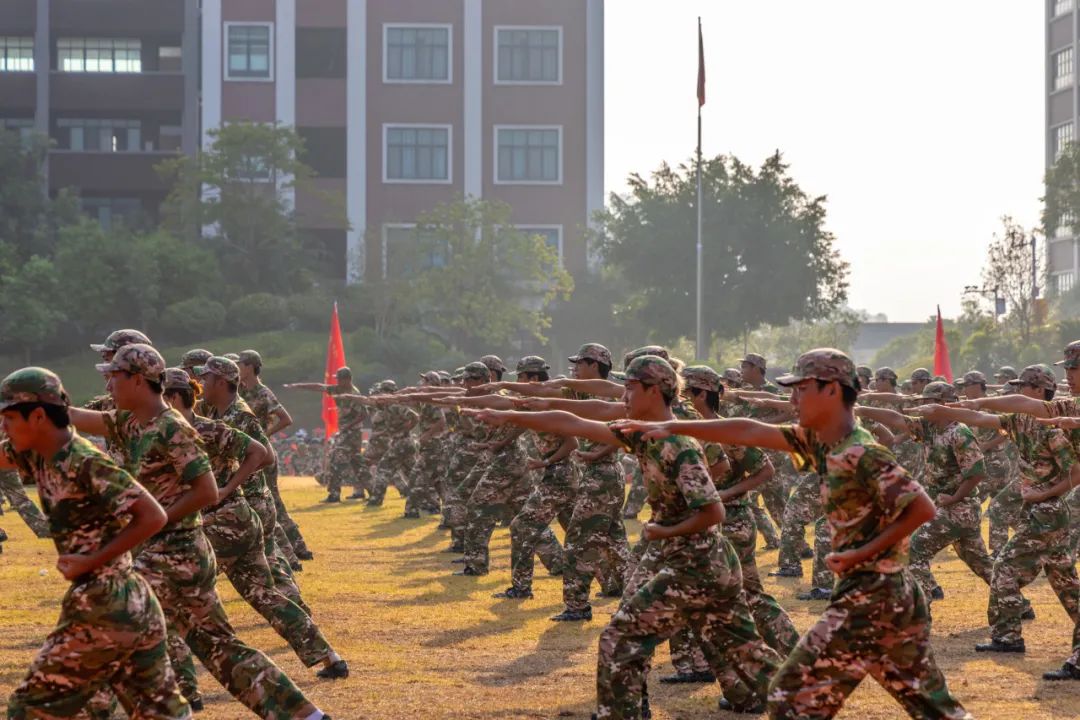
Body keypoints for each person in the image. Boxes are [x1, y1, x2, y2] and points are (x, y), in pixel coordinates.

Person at [613, 349, 973, 720]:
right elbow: (750, 431)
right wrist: (676, 427)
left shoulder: (862, 451)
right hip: (887, 594)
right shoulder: (822, 442)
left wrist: (859, 554)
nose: (792, 400)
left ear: (832, 390)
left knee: (790, 699)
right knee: (933, 708)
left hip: (873, 595)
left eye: (801, 389)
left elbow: (921, 508)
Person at [466, 356, 781, 718]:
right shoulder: (644, 433)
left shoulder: (678, 444)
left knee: (621, 638)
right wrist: (510, 415)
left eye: (630, 389)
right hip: (688, 557)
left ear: (654, 391)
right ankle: (794, 699)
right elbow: (574, 422)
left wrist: (665, 529)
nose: (623, 397)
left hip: (696, 561)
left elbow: (713, 512)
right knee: (744, 648)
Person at [69, 345, 332, 720]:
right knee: (220, 646)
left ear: (140, 381)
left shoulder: (175, 427)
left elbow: (213, 486)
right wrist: (39, 407)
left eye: (114, 376)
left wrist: (159, 518)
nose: (108, 385)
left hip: (178, 550)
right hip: (177, 548)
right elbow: (81, 419)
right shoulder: (133, 422)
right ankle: (307, 714)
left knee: (113, 624)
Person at [0, 367, 192, 720]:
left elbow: (152, 515)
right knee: (160, 713)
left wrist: (92, 560)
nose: (3, 426)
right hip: (127, 603)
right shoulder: (37, 451)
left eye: (9, 418)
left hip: (105, 603)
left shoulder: (84, 461)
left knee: (30, 710)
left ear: (38, 416)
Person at [161, 368, 348, 682]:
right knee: (266, 595)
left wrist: (226, 488)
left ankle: (180, 684)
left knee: (171, 592)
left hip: (220, 524)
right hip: (241, 521)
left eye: (161, 397)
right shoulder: (203, 426)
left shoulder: (194, 430)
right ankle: (331, 657)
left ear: (174, 398)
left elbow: (262, 453)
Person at [924, 359, 1080, 681]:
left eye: (1023, 387)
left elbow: (1076, 472)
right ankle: (1010, 636)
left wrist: (1045, 493)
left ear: (1039, 391)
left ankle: (1008, 636)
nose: (1016, 393)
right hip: (1041, 514)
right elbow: (980, 418)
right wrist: (948, 411)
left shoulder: (1052, 428)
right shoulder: (1019, 421)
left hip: (1048, 513)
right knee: (1066, 584)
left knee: (1006, 568)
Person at [237, 350, 312, 561]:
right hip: (246, 453)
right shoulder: (239, 391)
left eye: (240, 364)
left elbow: (286, 419)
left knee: (273, 501)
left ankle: (298, 546)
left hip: (263, 454)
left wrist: (264, 434)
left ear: (250, 366)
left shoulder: (263, 393)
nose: (238, 367)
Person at [285, 367, 369, 503]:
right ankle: (365, 491)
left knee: (335, 460)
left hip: (352, 433)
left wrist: (348, 426)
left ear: (347, 379)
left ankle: (334, 495)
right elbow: (319, 386)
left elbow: (364, 414)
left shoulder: (354, 394)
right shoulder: (337, 389)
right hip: (346, 433)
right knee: (356, 462)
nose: (337, 381)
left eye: (340, 379)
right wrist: (298, 385)